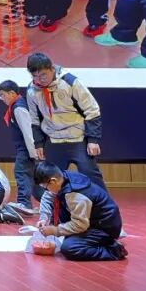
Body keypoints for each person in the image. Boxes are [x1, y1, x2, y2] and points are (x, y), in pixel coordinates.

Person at [24, 52, 107, 190]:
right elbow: (34, 119)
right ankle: (57, 203)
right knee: (44, 183)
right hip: (53, 139)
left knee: (91, 176)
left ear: (52, 68)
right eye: (35, 76)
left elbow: (92, 110)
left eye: (43, 75)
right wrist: (38, 144)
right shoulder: (31, 90)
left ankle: (103, 203)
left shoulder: (70, 82)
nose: (39, 80)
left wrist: (93, 140)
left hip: (78, 138)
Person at [34, 162, 127, 261]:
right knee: (65, 228)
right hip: (90, 221)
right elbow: (48, 197)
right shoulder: (63, 178)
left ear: (53, 181)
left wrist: (55, 230)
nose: (46, 190)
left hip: (105, 227)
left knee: (69, 248)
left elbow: (80, 225)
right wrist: (44, 218)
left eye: (45, 187)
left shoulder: (76, 195)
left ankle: (113, 250)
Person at [0, 79, 41, 215]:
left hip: (27, 149)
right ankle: (49, 204)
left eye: (3, 95)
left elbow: (28, 132)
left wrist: (33, 153)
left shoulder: (19, 108)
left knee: (21, 172)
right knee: (35, 178)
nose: (1, 98)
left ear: (12, 93)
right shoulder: (16, 106)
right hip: (26, 148)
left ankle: (24, 203)